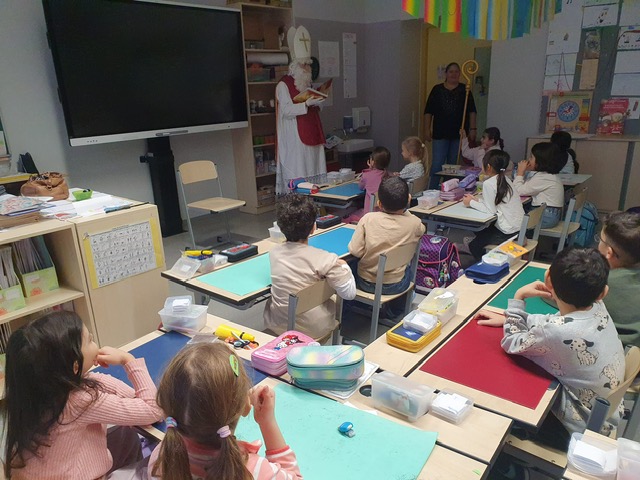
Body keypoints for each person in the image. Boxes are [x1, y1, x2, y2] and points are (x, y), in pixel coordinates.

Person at [475, 248, 624, 436]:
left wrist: (519, 298)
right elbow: (556, 322)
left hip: (579, 427)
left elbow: (512, 342)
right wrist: (513, 319)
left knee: (503, 397)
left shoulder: (556, 331)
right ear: (603, 292)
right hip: (606, 413)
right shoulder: (597, 307)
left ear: (548, 280)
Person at [2, 311, 164, 480]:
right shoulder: (79, 401)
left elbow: (128, 397)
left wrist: (88, 373)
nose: (94, 341)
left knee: (126, 434)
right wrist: (128, 360)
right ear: (74, 366)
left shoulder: (36, 391)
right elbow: (154, 410)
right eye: (90, 340)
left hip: (37, 473)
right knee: (157, 466)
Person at [148, 342, 302, 480]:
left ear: (166, 410)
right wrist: (267, 422)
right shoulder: (255, 471)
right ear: (245, 407)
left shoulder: (162, 458)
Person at [264, 194, 356, 340]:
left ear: (280, 227)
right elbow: (349, 294)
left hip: (279, 325)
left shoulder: (273, 253)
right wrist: (345, 266)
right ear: (314, 227)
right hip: (315, 329)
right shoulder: (327, 260)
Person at [348, 176, 425, 295]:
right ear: (408, 199)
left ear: (379, 203)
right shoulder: (415, 223)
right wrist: (406, 209)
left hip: (366, 283)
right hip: (397, 285)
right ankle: (402, 302)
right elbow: (422, 230)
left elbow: (355, 251)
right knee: (408, 269)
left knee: (351, 264)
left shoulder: (368, 219)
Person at [275, 26, 326, 195]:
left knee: (314, 165)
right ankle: (299, 197)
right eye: (303, 65)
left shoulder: (306, 83)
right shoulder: (283, 85)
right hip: (295, 136)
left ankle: (317, 198)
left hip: (312, 130)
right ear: (295, 66)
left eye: (308, 65)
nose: (307, 68)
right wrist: (305, 105)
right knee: (300, 167)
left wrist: (319, 101)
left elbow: (315, 106)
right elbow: (286, 110)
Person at [462, 150, 524, 261]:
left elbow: (491, 211)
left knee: (474, 246)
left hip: (507, 232)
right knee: (481, 232)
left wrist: (470, 203)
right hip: (519, 229)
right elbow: (494, 204)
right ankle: (476, 243)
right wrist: (477, 200)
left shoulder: (489, 183)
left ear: (488, 167)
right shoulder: (506, 179)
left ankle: (487, 263)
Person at [424, 62, 477, 190]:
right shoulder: (437, 90)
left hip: (458, 133)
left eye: (456, 71)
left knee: (453, 166)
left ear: (460, 74)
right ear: (446, 74)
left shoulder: (465, 90)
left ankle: (449, 190)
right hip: (440, 132)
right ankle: (432, 189)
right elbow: (428, 111)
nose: (454, 74)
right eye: (451, 71)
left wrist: (473, 129)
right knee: (437, 163)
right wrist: (426, 129)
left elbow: (472, 111)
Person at [597, 211, 640, 348]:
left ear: (609, 252)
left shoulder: (600, 283)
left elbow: (565, 297)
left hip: (612, 352)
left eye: (600, 239)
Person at [513, 142, 565, 229]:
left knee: (511, 220)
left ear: (540, 161)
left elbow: (518, 191)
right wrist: (523, 173)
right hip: (549, 214)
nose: (529, 160)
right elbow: (527, 185)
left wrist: (520, 172)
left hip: (546, 217)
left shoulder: (543, 178)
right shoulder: (547, 175)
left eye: (531, 157)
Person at [345, 146, 390, 223]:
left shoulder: (367, 175)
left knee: (349, 216)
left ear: (372, 162)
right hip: (385, 214)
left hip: (369, 215)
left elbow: (361, 187)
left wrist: (369, 169)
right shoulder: (388, 175)